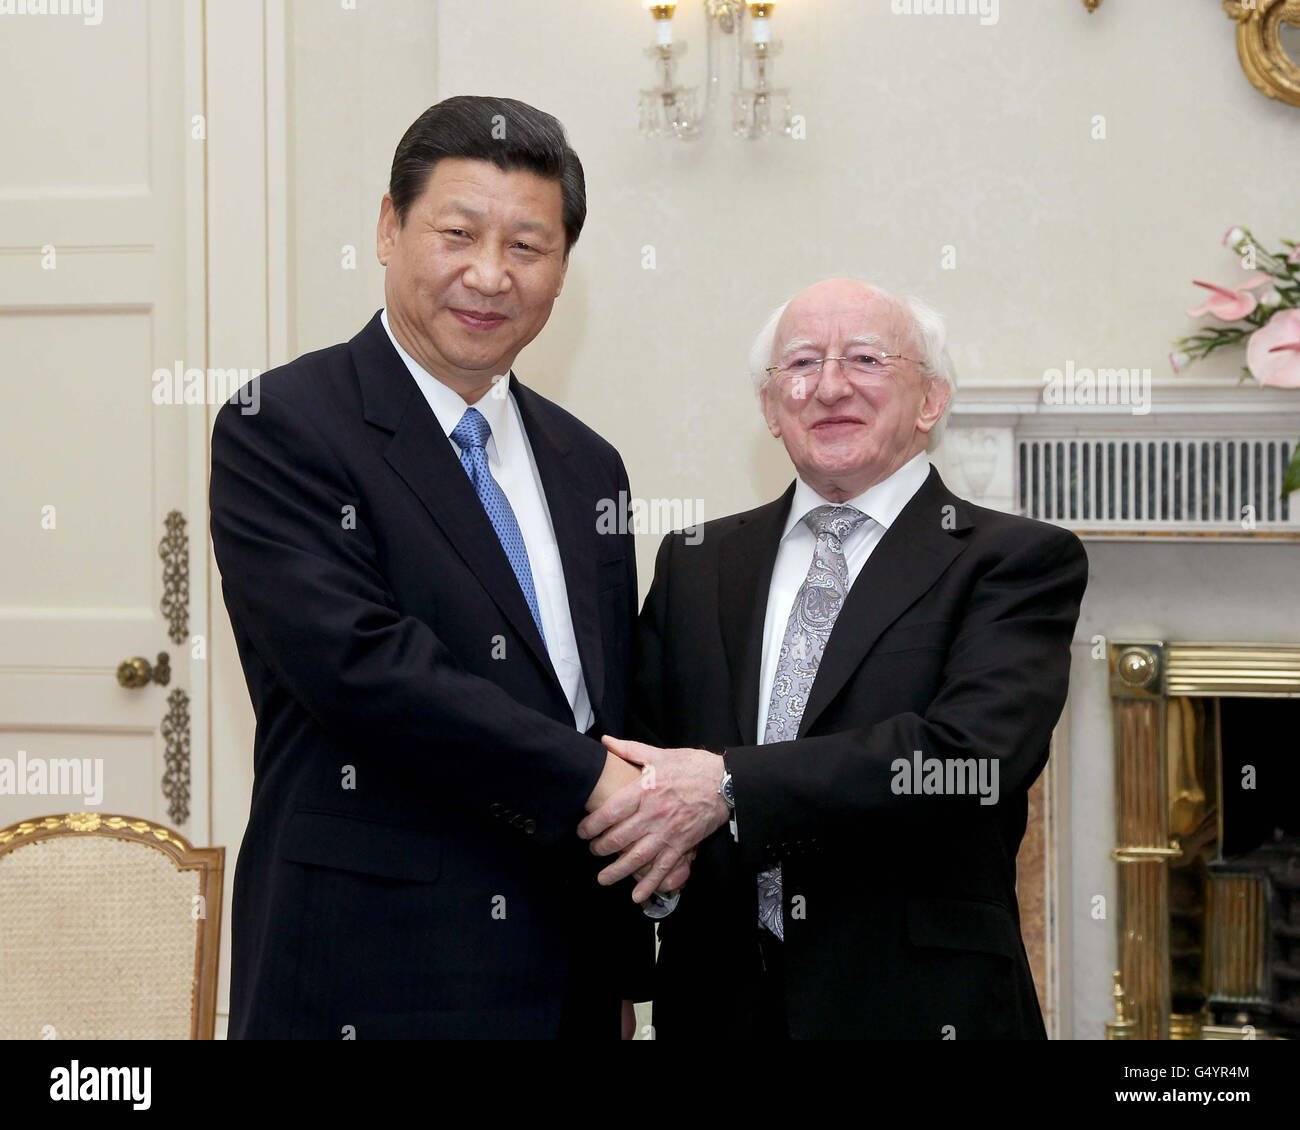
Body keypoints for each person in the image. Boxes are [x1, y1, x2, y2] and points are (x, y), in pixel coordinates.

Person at [210, 95, 656, 1039]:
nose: (489, 275)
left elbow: (603, 701)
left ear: (564, 267)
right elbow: (364, 668)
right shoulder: (284, 424)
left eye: (528, 248)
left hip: (566, 971)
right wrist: (592, 780)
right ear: (388, 227)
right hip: (370, 966)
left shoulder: (590, 466)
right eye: (458, 233)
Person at [580, 278, 1089, 1039]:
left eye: (866, 359)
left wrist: (730, 785)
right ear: (770, 408)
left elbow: (970, 757)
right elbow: (635, 768)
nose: (829, 386)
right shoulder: (694, 562)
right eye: (801, 364)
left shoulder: (1011, 560)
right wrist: (628, 944)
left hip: (919, 1007)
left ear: (930, 399)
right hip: (715, 1008)